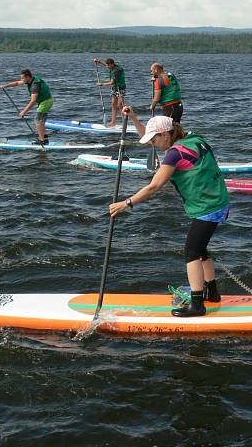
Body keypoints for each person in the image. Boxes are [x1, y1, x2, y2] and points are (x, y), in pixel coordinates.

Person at [109, 109, 229, 317]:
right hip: (217, 201)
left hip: (208, 207)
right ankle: (212, 292)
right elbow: (151, 140)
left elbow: (154, 187)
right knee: (200, 249)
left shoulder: (175, 153)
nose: (151, 145)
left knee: (191, 251)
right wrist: (134, 119)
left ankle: (197, 304)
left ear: (165, 135)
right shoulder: (193, 138)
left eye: (154, 140)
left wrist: (126, 203)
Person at [0, 69, 53, 144]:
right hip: (45, 101)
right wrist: (5, 86)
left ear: (28, 77)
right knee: (40, 120)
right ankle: (44, 138)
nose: (22, 80)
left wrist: (24, 112)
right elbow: (17, 83)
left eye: (23, 78)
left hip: (45, 102)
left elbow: (33, 101)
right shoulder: (31, 80)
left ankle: (42, 140)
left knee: (38, 120)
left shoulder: (35, 85)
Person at [94, 57, 127, 127]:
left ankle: (124, 122)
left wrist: (102, 84)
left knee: (120, 105)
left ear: (112, 64)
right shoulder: (112, 66)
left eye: (108, 65)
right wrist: (98, 61)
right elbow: (105, 65)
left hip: (120, 88)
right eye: (107, 65)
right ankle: (113, 122)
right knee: (113, 104)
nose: (107, 67)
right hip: (115, 88)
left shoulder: (116, 71)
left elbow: (111, 82)